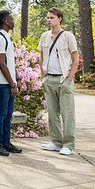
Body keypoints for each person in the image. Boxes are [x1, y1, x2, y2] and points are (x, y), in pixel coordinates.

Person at [38, 8, 80, 156]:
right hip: (49, 79)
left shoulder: (68, 36)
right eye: (48, 17)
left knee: (67, 114)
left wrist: (69, 79)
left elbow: (76, 59)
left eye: (52, 17)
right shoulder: (44, 36)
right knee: (52, 113)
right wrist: (43, 76)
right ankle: (56, 142)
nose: (49, 20)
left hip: (63, 79)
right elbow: (41, 56)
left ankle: (68, 144)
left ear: (60, 18)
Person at [0, 10, 20, 157]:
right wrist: (12, 84)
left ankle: (6, 143)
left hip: (8, 82)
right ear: (6, 21)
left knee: (8, 114)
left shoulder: (8, 37)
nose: (13, 21)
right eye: (11, 19)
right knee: (0, 114)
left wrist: (16, 80)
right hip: (1, 83)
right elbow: (2, 64)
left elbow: (10, 63)